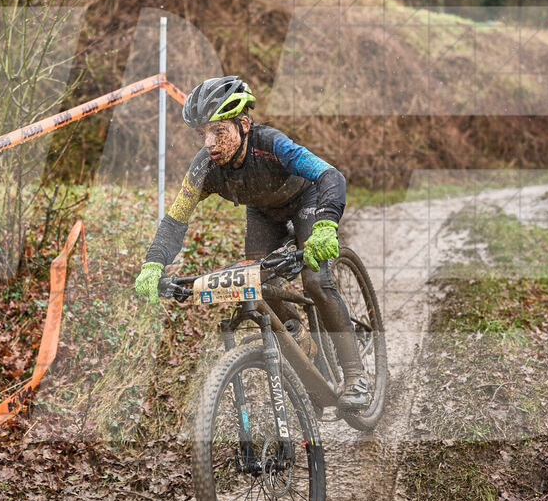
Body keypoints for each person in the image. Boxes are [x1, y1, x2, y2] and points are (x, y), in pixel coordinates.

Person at [133, 76, 370, 411]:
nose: (209, 143)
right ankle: (302, 343)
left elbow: (330, 175)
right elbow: (176, 219)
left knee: (316, 281)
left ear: (243, 124)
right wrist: (153, 262)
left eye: (218, 131)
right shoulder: (205, 167)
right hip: (263, 214)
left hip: (306, 201)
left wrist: (326, 224)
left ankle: (356, 376)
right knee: (258, 287)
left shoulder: (272, 144)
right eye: (203, 133)